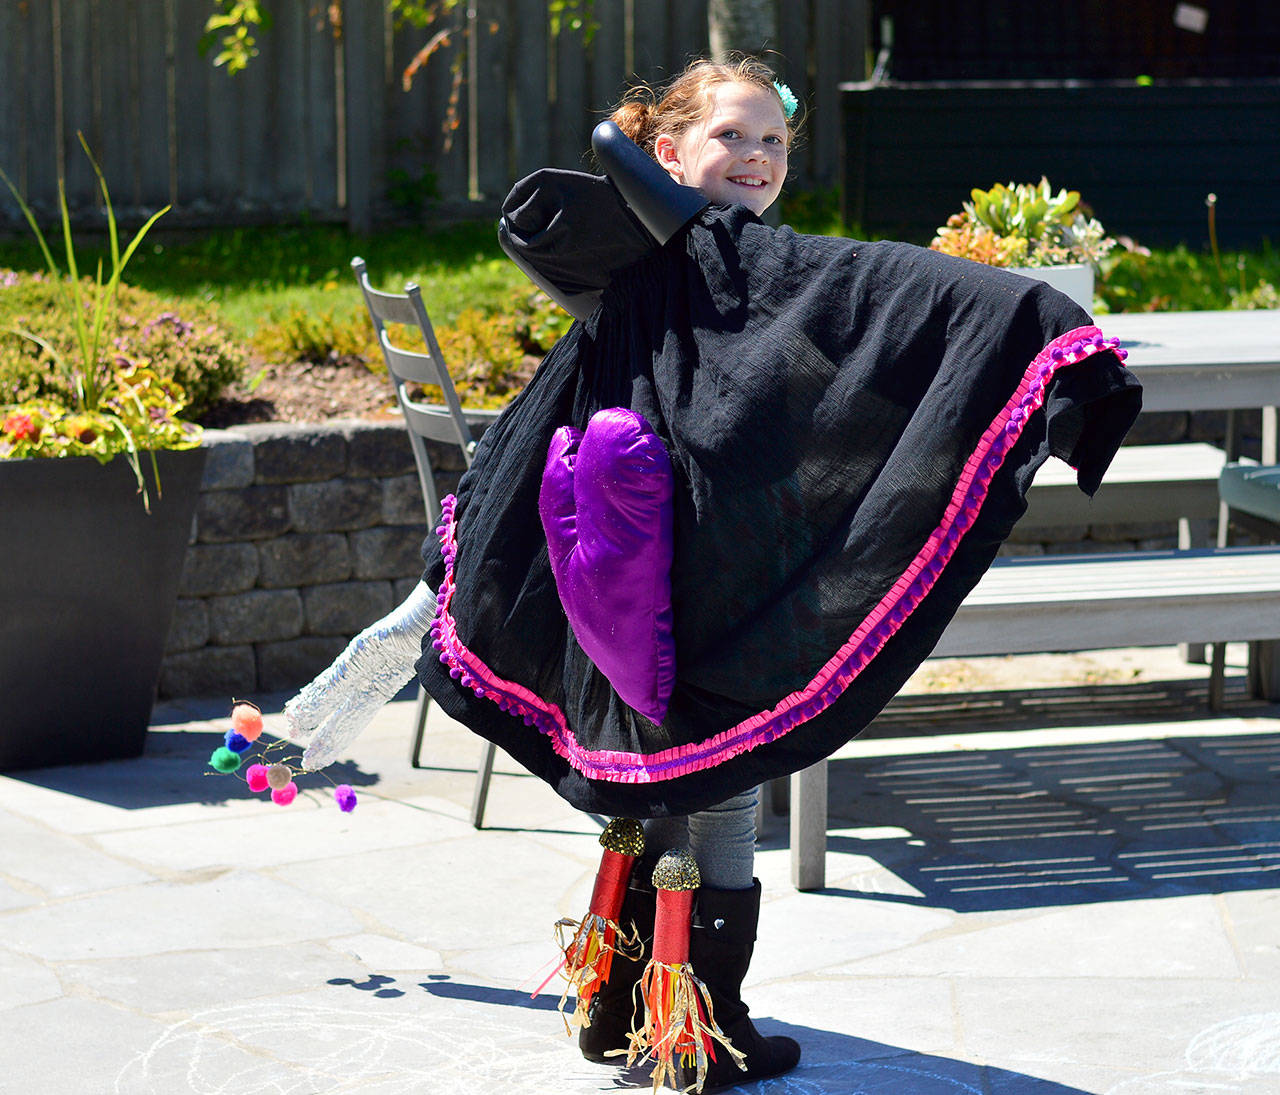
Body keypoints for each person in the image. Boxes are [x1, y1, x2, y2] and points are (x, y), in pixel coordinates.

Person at [285, 56, 1141, 1094]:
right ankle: (699, 1027)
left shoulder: (700, 257)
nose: (755, 157)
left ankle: (622, 1005)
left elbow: (852, 295)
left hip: (630, 538)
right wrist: (1036, 326)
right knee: (720, 773)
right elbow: (876, 287)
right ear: (668, 148)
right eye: (730, 136)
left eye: (773, 141)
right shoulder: (707, 252)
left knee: (668, 785)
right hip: (642, 543)